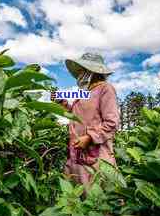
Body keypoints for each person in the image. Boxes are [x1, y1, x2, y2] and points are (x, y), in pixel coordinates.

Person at [51, 53, 120, 188]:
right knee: (75, 195)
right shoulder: (83, 93)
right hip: (76, 153)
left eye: (82, 70)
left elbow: (112, 122)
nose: (80, 74)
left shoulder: (105, 89)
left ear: (92, 72)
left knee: (96, 194)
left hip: (95, 156)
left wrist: (89, 137)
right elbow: (76, 114)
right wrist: (61, 101)